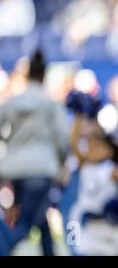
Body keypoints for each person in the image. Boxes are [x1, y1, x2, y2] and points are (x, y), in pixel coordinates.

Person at [0, 51, 69, 256]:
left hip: (13, 169)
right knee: (25, 225)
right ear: (44, 76)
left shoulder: (12, 102)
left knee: (41, 220)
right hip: (42, 168)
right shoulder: (50, 104)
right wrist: (61, 162)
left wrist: (9, 145)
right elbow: (62, 139)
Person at [66, 113, 118, 256]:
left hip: (110, 222)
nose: (93, 150)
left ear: (109, 150)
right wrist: (77, 115)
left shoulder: (110, 169)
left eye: (98, 147)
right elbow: (74, 142)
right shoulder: (85, 165)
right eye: (90, 147)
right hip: (91, 224)